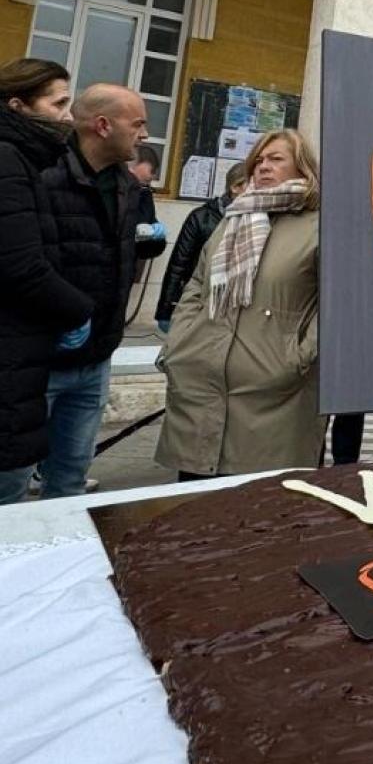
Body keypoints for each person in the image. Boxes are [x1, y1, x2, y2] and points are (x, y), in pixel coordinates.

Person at [156, 128, 322, 478]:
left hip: (274, 393)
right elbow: (198, 282)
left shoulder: (320, 227)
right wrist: (181, 340)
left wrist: (298, 356)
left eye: (276, 159)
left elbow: (338, 305)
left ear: (303, 169)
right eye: (258, 160)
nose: (263, 167)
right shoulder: (233, 219)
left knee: (258, 514)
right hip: (203, 378)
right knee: (194, 512)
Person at [33, 83, 167, 498]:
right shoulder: (42, 175)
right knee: (14, 482)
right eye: (139, 123)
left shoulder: (127, 186)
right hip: (39, 360)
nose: (145, 134)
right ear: (103, 125)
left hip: (96, 358)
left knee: (70, 478)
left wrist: (144, 242)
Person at [0, 60, 96, 506]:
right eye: (58, 103)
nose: (67, 114)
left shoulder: (24, 158)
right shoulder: (7, 158)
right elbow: (21, 265)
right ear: (19, 106)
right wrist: (79, 308)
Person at [155, 161, 247, 332]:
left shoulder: (259, 221)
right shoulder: (201, 218)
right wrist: (166, 310)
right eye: (253, 184)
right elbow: (178, 265)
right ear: (235, 187)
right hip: (199, 302)